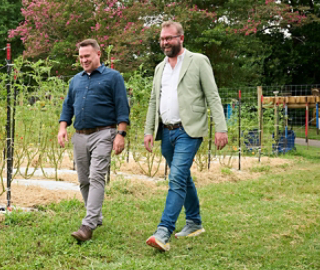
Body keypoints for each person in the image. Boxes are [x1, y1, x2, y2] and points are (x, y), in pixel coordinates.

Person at [143, 21, 228, 251]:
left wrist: (221, 127)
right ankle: (194, 222)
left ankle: (163, 232)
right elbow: (154, 100)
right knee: (182, 178)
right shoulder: (160, 68)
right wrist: (149, 130)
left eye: (169, 38)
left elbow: (213, 95)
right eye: (162, 39)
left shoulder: (197, 61)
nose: (164, 42)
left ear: (181, 38)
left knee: (176, 178)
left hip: (189, 131)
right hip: (167, 132)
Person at [58, 39, 130, 242]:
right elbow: (67, 107)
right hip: (80, 134)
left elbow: (122, 107)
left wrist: (120, 134)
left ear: (98, 54)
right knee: (83, 180)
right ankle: (96, 217)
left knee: (97, 175)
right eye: (80, 57)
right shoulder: (76, 80)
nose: (83, 60)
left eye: (87, 56)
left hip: (104, 133)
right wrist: (62, 128)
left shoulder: (113, 78)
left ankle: (88, 225)